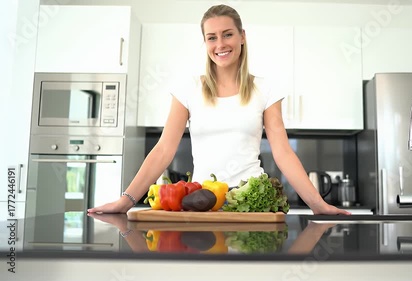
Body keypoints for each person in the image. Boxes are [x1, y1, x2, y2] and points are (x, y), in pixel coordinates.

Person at [88, 4, 350, 216]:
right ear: (205, 42)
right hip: (202, 203)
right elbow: (163, 150)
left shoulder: (266, 89)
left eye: (228, 34)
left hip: (252, 204)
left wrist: (317, 204)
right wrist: (126, 201)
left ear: (242, 36)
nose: (220, 44)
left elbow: (282, 152)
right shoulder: (188, 89)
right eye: (211, 37)